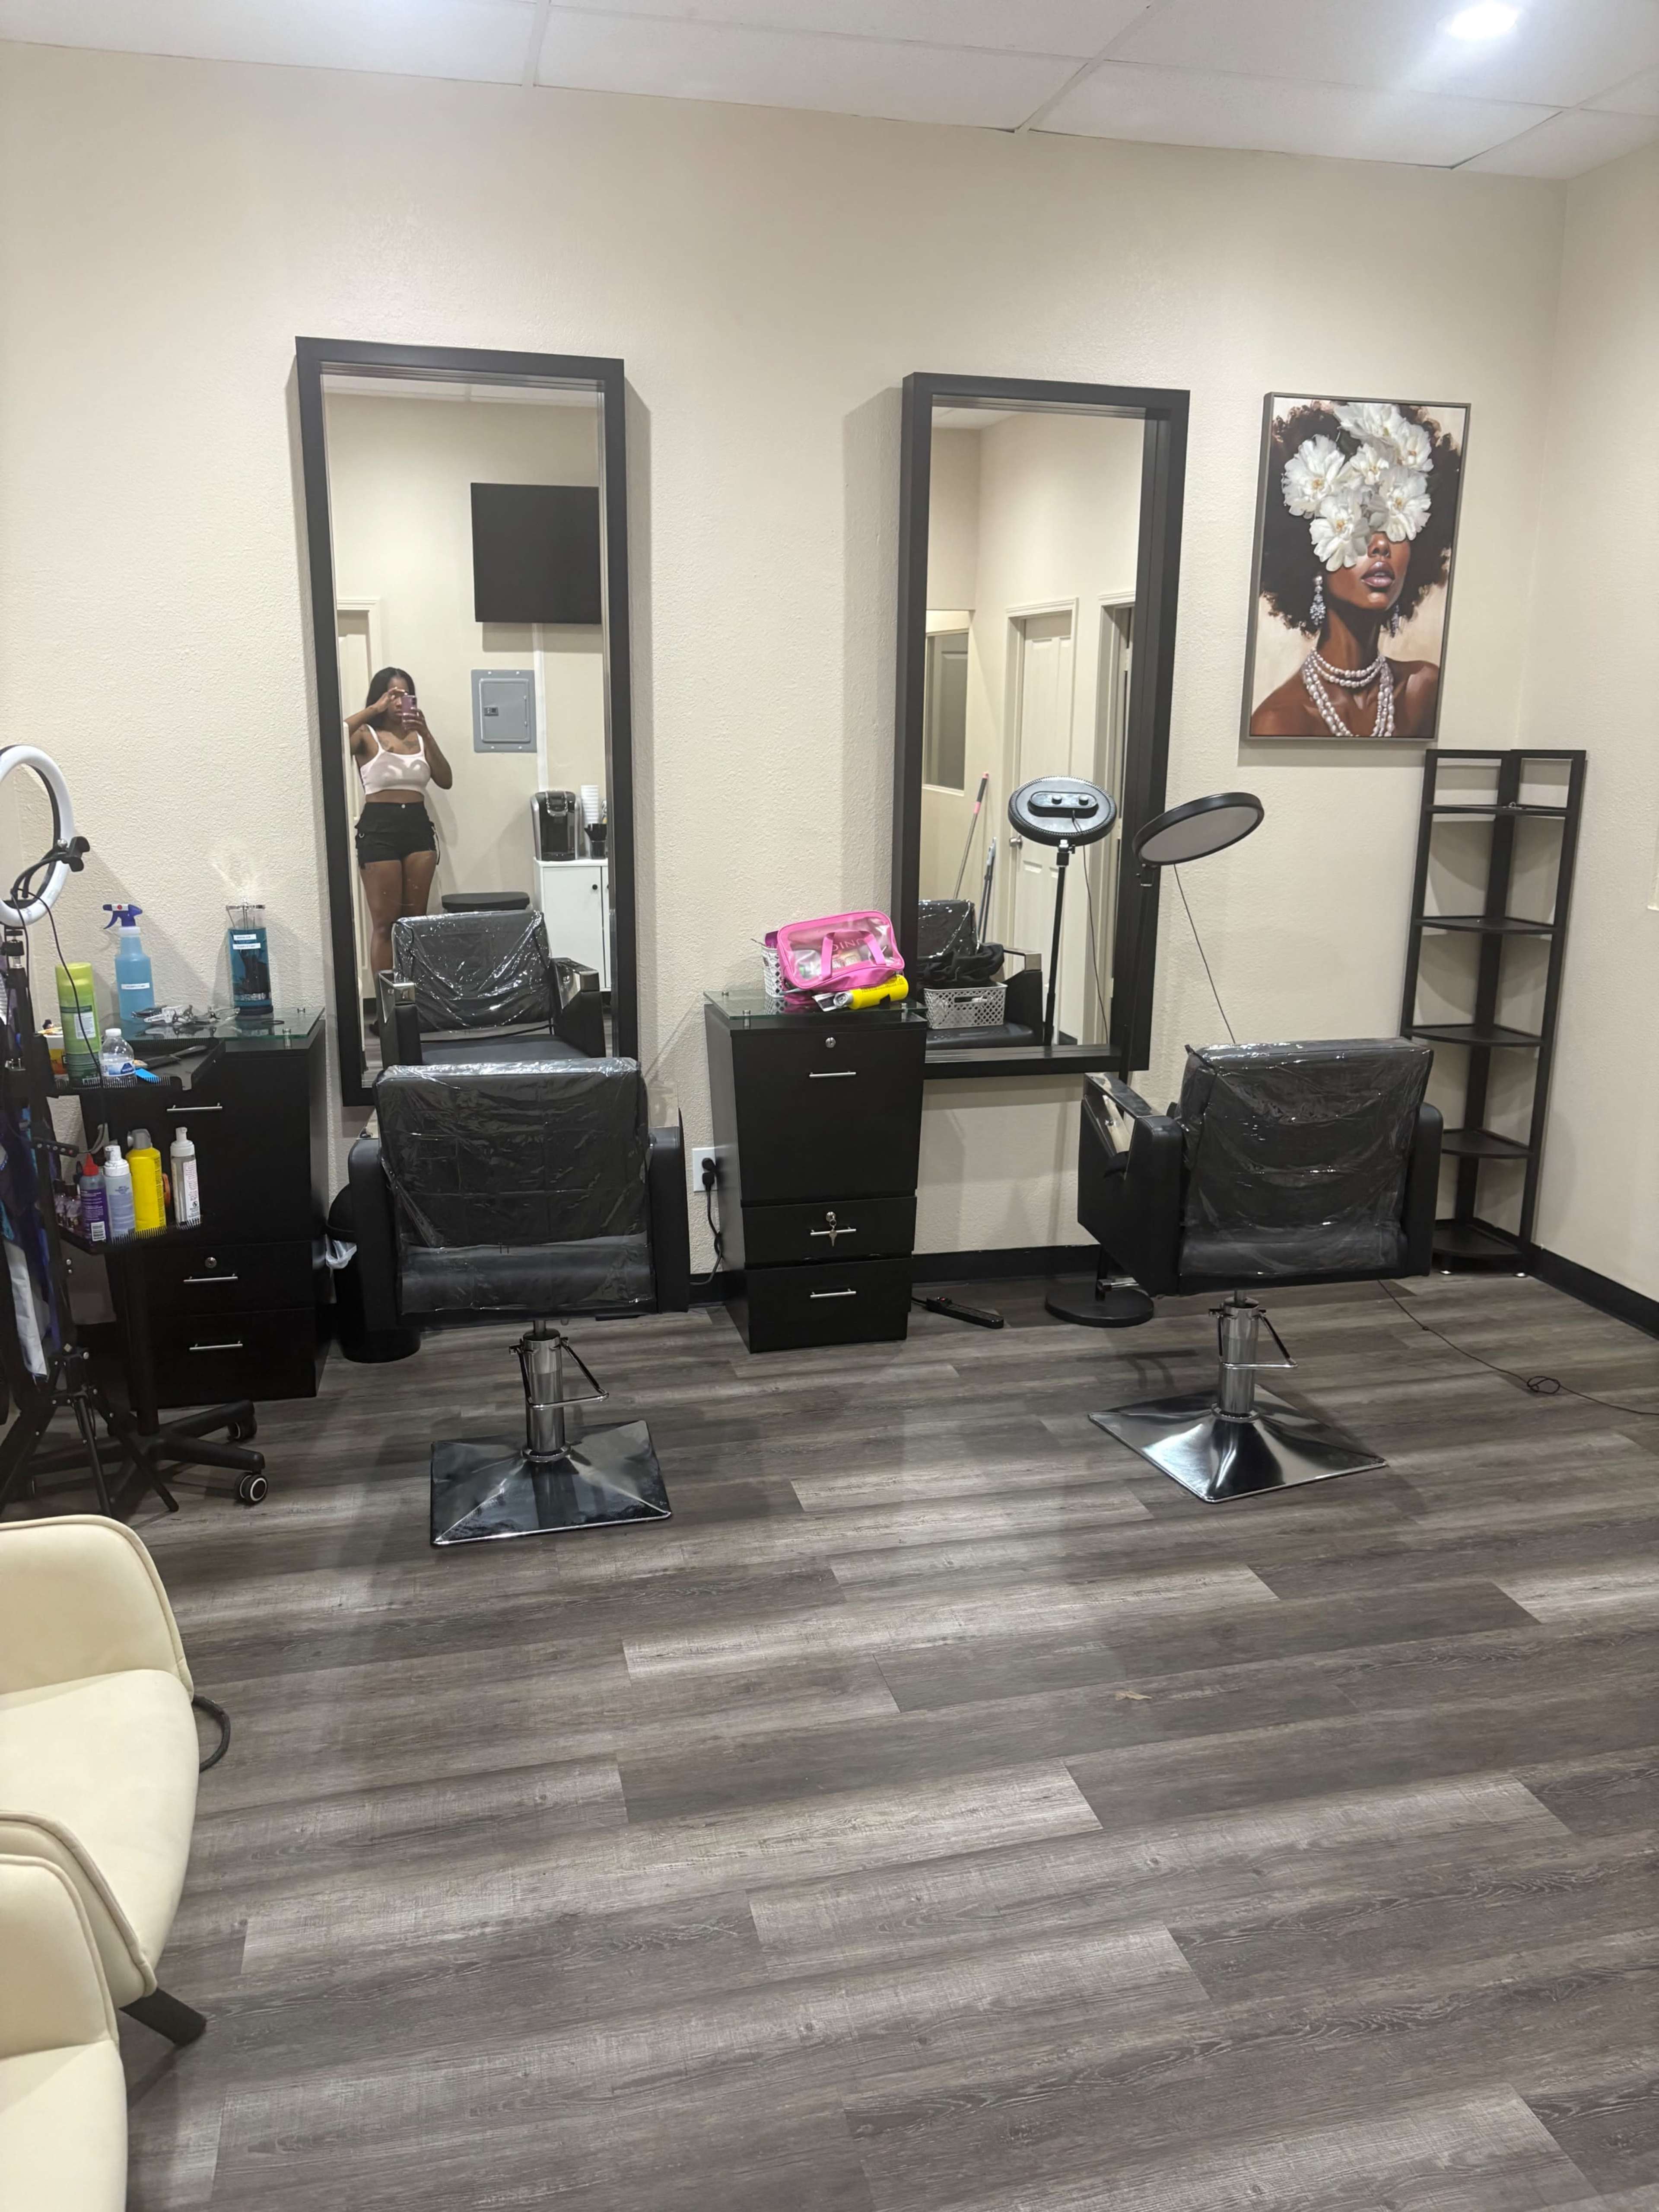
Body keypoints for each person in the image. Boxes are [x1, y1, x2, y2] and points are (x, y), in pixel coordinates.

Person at [1249, 401, 1462, 740]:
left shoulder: (1424, 691)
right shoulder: (1280, 721)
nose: (1380, 546)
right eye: (1359, 520)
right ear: (1312, 553)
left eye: (1393, 524)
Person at [346, 667, 454, 979]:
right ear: (381, 696)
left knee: (413, 921)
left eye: (406, 694)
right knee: (385, 923)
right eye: (393, 694)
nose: (400, 700)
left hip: (418, 829)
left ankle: (413, 1003)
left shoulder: (420, 738)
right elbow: (332, 733)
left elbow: (446, 780)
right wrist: (371, 711)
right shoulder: (366, 735)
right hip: (379, 830)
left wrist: (427, 732)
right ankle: (387, 1010)